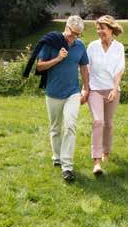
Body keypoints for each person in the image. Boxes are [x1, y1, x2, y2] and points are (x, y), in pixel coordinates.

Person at [36, 16, 89, 183]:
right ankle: (57, 156)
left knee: (71, 125)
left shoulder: (80, 46)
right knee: (55, 128)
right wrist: (58, 58)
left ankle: (67, 166)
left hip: (72, 93)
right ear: (66, 27)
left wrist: (86, 88)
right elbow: (39, 66)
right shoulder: (51, 42)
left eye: (78, 35)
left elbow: (84, 68)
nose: (74, 38)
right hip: (53, 92)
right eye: (72, 33)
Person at [87, 15, 125, 176]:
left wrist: (115, 89)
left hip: (112, 90)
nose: (99, 31)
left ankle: (106, 152)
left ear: (111, 29)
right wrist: (85, 88)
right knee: (98, 121)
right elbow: (86, 69)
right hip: (94, 89)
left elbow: (119, 70)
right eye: (98, 28)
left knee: (108, 123)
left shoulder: (119, 47)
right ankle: (96, 162)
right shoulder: (92, 46)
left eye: (102, 28)